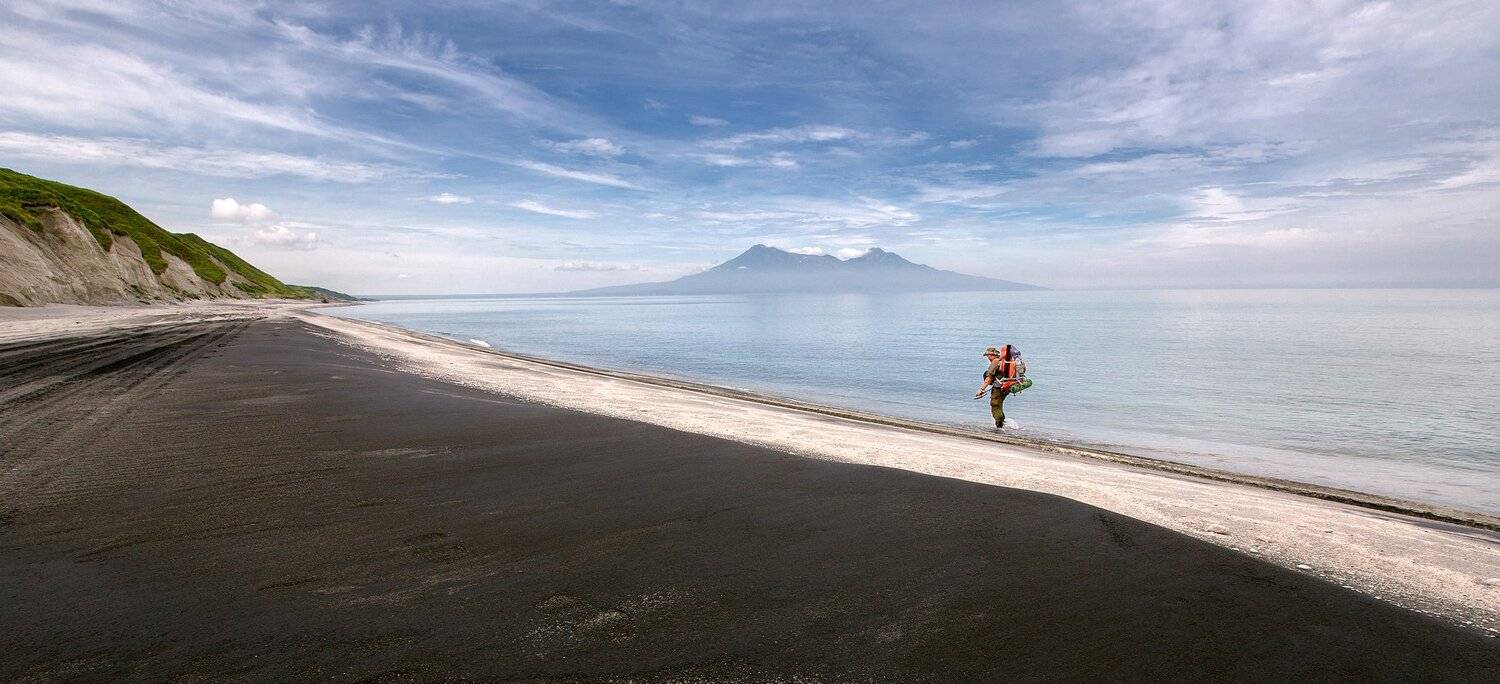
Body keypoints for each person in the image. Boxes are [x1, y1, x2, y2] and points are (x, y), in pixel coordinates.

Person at [975, 345, 1018, 429]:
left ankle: (999, 426)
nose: (988, 358)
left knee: (995, 405)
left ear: (991, 355)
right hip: (1007, 386)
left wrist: (981, 389)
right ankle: (1002, 423)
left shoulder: (995, 362)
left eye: (988, 355)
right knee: (999, 404)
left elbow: (988, 379)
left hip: (998, 388)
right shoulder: (1006, 362)